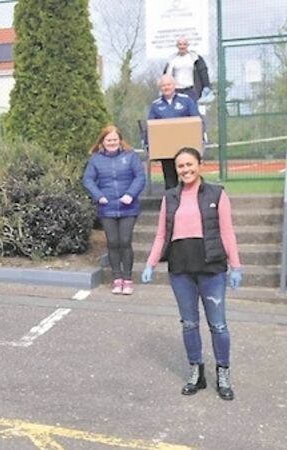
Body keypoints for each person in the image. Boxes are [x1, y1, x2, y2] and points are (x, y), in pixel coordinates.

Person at [141, 146, 242, 401]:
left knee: (218, 324)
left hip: (211, 268)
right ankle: (196, 371)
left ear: (200, 165)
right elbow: (162, 234)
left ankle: (223, 372)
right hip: (181, 269)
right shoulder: (170, 198)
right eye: (181, 166)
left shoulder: (217, 194)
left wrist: (236, 265)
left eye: (189, 164)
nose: (185, 170)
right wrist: (150, 263)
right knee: (189, 323)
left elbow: (227, 232)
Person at [82, 126, 146, 295]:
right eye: (108, 140)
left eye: (115, 139)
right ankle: (116, 278)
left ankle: (127, 278)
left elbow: (140, 177)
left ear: (120, 140)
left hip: (128, 208)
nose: (112, 142)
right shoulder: (96, 159)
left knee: (125, 241)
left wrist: (130, 194)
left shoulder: (130, 156)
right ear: (103, 141)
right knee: (113, 242)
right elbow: (88, 180)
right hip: (107, 208)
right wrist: (99, 196)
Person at [144, 74, 203, 190]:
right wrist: (148, 144)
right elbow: (150, 127)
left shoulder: (186, 100)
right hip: (166, 150)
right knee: (170, 182)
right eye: (163, 85)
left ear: (174, 85)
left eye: (169, 84)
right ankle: (172, 200)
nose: (166, 87)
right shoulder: (156, 105)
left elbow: (196, 121)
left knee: (190, 177)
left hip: (186, 149)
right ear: (160, 88)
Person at [163, 37, 212, 103]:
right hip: (176, 91)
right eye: (180, 44)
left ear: (188, 45)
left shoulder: (195, 58)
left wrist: (206, 86)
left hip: (190, 91)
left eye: (184, 44)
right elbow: (166, 75)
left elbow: (203, 72)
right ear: (177, 46)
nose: (182, 46)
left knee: (191, 109)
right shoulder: (172, 59)